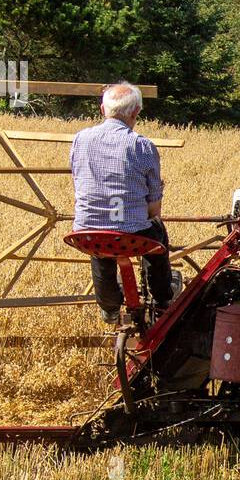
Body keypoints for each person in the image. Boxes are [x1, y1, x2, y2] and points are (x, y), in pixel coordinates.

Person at [71, 82, 173, 324]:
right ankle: (161, 300)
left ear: (102, 110)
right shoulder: (141, 145)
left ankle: (109, 309)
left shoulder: (80, 139)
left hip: (86, 232)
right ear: (136, 111)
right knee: (156, 234)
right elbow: (153, 208)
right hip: (133, 234)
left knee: (100, 249)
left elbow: (78, 181)